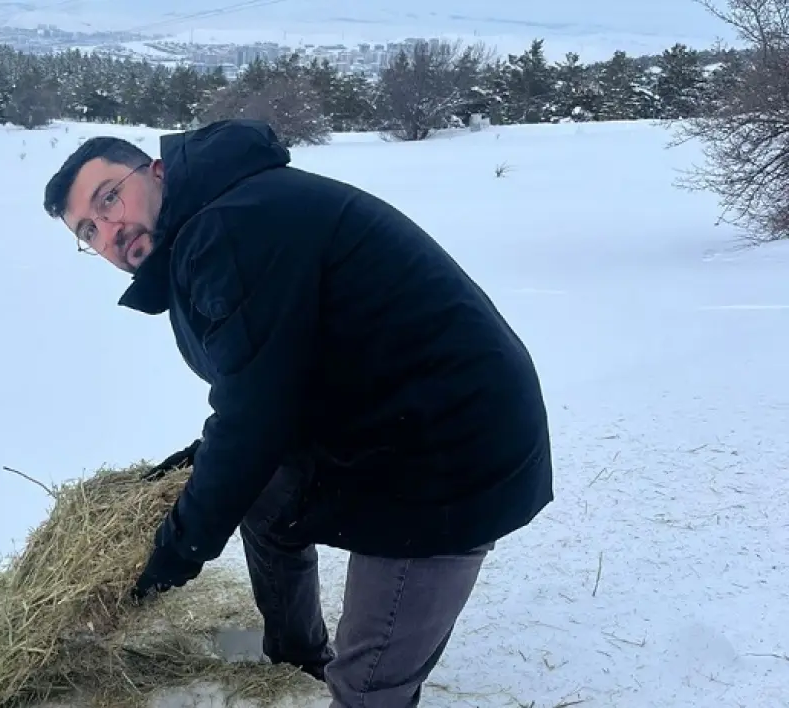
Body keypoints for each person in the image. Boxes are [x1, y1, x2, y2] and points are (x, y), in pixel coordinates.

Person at [41, 119, 553, 707]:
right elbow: (266, 379)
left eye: (110, 198)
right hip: (386, 424)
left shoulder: (226, 227)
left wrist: (176, 551)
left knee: (367, 685)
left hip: (451, 446)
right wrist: (200, 464)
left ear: (156, 171)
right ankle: (294, 660)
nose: (109, 230)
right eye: (89, 230)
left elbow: (253, 417)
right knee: (263, 495)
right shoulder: (207, 227)